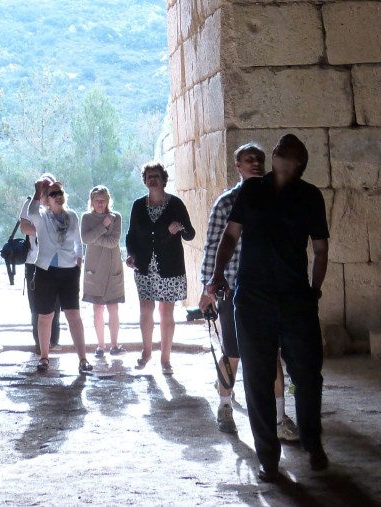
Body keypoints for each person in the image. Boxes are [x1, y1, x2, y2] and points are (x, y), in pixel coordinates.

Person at [204, 134, 330, 482]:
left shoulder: (309, 197)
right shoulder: (253, 191)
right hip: (254, 298)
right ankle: (268, 459)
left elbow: (320, 249)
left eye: (292, 162)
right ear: (275, 158)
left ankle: (312, 440)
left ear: (301, 165)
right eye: (281, 158)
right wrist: (216, 275)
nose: (284, 165)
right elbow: (230, 235)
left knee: (306, 375)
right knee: (258, 378)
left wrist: (313, 292)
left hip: (295, 298)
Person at [199, 143, 301, 441]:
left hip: (266, 288)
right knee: (232, 353)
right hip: (232, 288)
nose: (255, 163)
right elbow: (213, 247)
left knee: (273, 354)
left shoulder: (274, 198)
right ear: (237, 165)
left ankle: (280, 417)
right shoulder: (226, 203)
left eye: (259, 158)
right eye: (248, 159)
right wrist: (209, 288)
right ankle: (225, 405)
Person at [125, 162, 195, 374]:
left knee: (166, 312)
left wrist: (179, 228)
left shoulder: (176, 204)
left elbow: (190, 233)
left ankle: (165, 359)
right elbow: (131, 236)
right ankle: (147, 352)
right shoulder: (138, 205)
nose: (152, 179)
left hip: (170, 266)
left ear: (164, 179)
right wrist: (131, 255)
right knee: (146, 309)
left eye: (156, 175)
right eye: (148, 176)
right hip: (145, 266)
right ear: (144, 180)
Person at [25, 178, 93, 374]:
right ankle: (44, 357)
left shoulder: (72, 216)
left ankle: (82, 359)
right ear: (46, 200)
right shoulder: (42, 217)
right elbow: (30, 213)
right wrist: (38, 190)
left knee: (74, 315)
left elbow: (78, 243)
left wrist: (78, 261)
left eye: (60, 193)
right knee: (45, 315)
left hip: (68, 270)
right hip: (46, 271)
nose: (58, 196)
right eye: (53, 194)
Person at [81, 186, 126, 358]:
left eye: (103, 200)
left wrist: (95, 237)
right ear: (92, 201)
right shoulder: (86, 217)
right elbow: (85, 239)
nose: (100, 204)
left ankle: (114, 345)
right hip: (94, 269)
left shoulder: (116, 217)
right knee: (97, 309)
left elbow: (113, 241)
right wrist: (103, 226)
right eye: (97, 200)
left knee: (113, 308)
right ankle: (101, 345)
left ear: (108, 200)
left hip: (113, 268)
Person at [19, 173, 61, 355]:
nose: (46, 189)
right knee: (36, 306)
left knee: (56, 306)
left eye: (48, 186)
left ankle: (53, 341)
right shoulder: (30, 204)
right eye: (43, 186)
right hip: (33, 263)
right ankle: (39, 343)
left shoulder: (57, 203)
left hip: (55, 263)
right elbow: (25, 227)